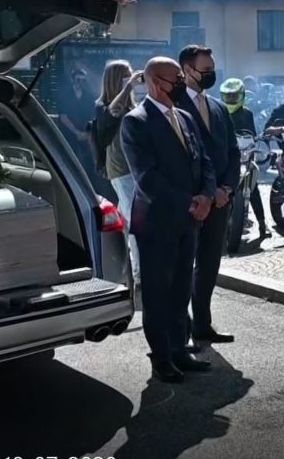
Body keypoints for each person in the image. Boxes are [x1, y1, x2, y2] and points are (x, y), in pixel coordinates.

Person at [121, 57, 215, 383]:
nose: (180, 84)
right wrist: (190, 202)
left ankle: (178, 348)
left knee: (179, 291)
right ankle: (161, 357)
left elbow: (204, 161)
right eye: (175, 79)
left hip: (188, 220)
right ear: (155, 82)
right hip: (157, 222)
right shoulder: (136, 122)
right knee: (158, 293)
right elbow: (147, 179)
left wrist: (206, 194)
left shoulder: (186, 118)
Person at [174, 45, 241, 345]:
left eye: (213, 68)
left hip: (220, 202)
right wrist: (205, 193)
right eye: (206, 70)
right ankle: (181, 329)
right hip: (191, 203)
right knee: (181, 267)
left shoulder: (217, 107)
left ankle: (202, 323)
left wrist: (226, 189)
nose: (211, 74)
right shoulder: (173, 107)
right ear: (188, 70)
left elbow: (233, 152)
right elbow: (179, 158)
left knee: (209, 265)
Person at [95, 60, 142, 291]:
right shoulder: (104, 106)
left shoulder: (131, 106)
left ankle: (126, 268)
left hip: (134, 168)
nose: (131, 78)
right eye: (125, 76)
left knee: (128, 219)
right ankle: (139, 273)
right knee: (136, 220)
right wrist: (128, 87)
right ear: (116, 79)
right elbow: (112, 113)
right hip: (121, 169)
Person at [220, 78, 269, 239]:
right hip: (226, 157)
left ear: (241, 96)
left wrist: (255, 147)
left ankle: (263, 224)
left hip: (244, 156)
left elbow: (252, 134)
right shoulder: (220, 111)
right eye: (228, 96)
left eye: (234, 96)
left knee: (253, 187)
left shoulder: (247, 113)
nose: (231, 99)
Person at [58, 67, 97, 176]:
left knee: (89, 163)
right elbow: (63, 116)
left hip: (86, 133)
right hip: (70, 133)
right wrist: (76, 132)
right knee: (70, 161)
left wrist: (87, 133)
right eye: (78, 80)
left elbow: (93, 116)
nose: (80, 83)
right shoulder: (65, 96)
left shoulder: (89, 96)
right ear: (72, 80)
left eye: (83, 80)